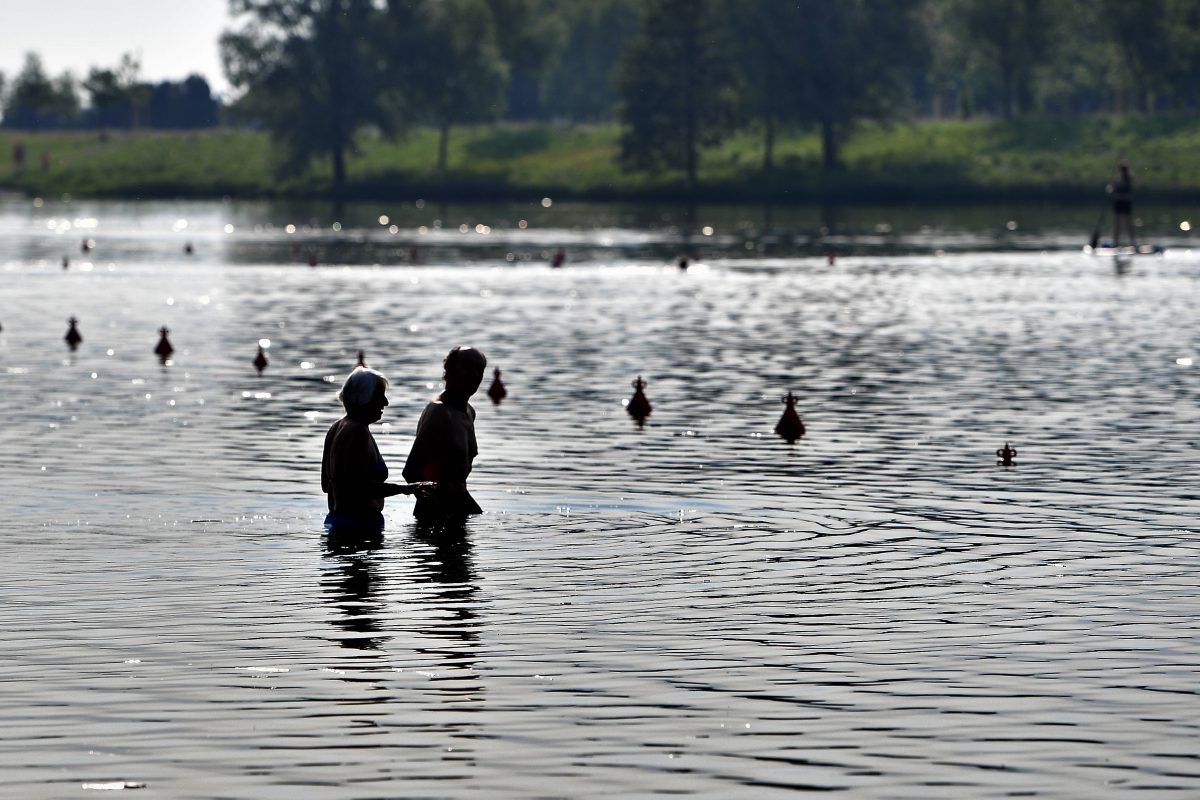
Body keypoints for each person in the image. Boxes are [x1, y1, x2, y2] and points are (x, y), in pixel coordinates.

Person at [322, 367, 432, 533]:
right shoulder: (357, 431)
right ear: (364, 398)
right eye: (380, 395)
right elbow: (361, 488)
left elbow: (326, 485)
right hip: (359, 527)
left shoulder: (336, 427)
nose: (385, 402)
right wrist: (406, 489)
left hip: (336, 522)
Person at [403, 346, 487, 522]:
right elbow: (411, 471)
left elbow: (457, 480)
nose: (474, 374)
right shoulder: (439, 412)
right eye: (467, 367)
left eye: (480, 369)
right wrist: (439, 513)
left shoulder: (469, 412)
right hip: (435, 518)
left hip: (458, 509)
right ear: (449, 371)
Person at [1107, 159, 1136, 249]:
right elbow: (1109, 189)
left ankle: (1132, 243)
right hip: (1119, 203)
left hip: (1126, 203)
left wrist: (1114, 184)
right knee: (1117, 224)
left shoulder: (1129, 178)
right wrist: (1111, 186)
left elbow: (1129, 184)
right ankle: (1116, 243)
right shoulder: (1117, 179)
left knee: (1128, 223)